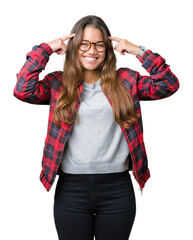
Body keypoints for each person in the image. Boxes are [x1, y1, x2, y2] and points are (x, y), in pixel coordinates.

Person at [13, 15, 180, 240]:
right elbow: (23, 89)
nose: (91, 50)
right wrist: (46, 49)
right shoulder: (58, 84)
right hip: (72, 189)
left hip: (117, 189)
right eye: (84, 43)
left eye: (99, 44)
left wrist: (138, 51)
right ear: (73, 47)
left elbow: (168, 84)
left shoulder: (126, 82)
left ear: (107, 49)